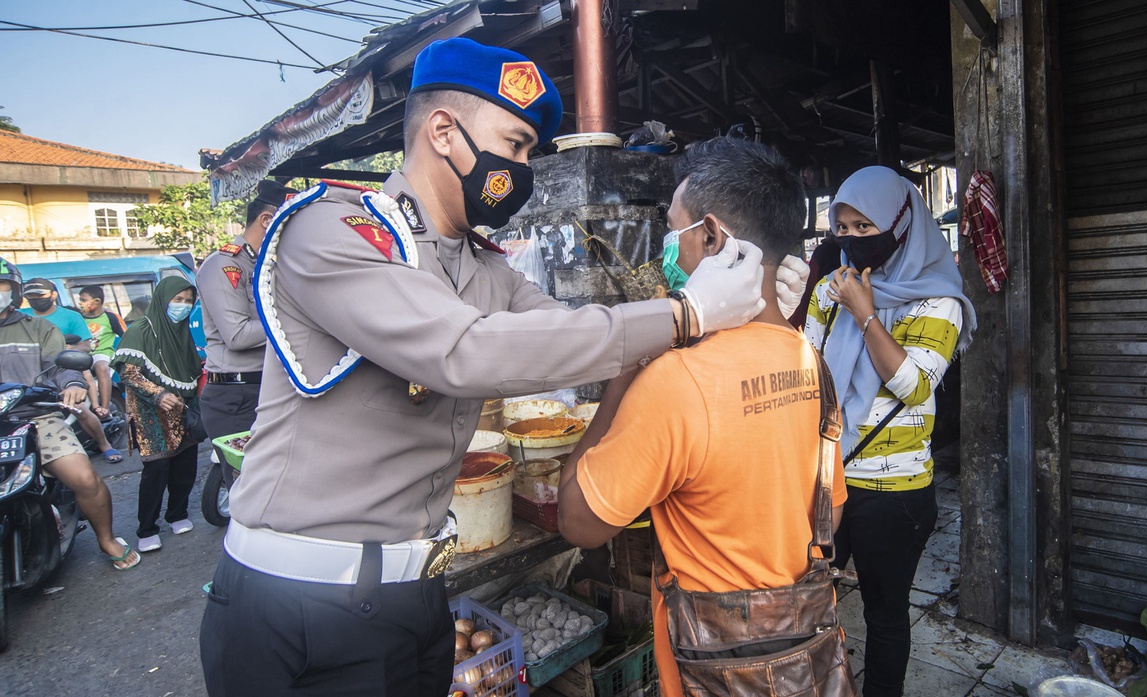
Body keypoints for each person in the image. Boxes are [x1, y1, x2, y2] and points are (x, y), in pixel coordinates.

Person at [198, 37, 778, 697]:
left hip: (414, 596)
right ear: (443, 131)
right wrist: (685, 313)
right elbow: (466, 351)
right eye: (516, 144)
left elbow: (567, 336)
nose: (522, 169)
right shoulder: (335, 232)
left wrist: (729, 314)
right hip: (299, 603)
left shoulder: (485, 268)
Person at [557, 137, 850, 697]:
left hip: (711, 668)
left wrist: (627, 368)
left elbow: (578, 522)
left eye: (673, 230)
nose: (667, 248)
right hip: (801, 657)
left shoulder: (675, 381)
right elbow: (829, 512)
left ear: (712, 237)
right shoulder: (810, 360)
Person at [803, 166, 976, 697]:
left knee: (885, 614)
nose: (853, 239)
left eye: (865, 226)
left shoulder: (939, 300)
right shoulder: (831, 290)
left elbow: (914, 386)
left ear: (901, 223)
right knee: (810, 604)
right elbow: (808, 369)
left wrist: (866, 316)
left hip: (894, 491)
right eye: (843, 228)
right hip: (827, 477)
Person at [0, 259, 140, 570]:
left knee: (85, 479)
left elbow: (60, 366)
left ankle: (106, 539)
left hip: (35, 418)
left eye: (1, 285)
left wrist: (74, 384)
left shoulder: (38, 328)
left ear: (14, 290)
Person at [196, 179, 296, 441]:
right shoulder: (224, 265)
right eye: (288, 225)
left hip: (266, 387)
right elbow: (237, 335)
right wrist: (294, 320)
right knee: (244, 469)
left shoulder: (263, 266)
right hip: (235, 396)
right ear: (266, 220)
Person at [111, 277, 204, 553]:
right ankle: (147, 529)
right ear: (163, 299)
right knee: (156, 471)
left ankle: (177, 514)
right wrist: (158, 394)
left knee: (185, 467)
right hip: (150, 414)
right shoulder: (140, 330)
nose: (183, 306)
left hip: (183, 410)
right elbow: (128, 373)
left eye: (188, 301)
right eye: (177, 300)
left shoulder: (181, 331)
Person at [22, 278, 124, 463]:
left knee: (78, 408)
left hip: (61, 372)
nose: (36, 299)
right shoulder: (21, 316)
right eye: (31, 296)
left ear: (53, 295)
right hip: (27, 375)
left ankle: (104, 445)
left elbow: (86, 345)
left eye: (40, 295)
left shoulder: (71, 316)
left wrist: (64, 353)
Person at [77, 284, 126, 423]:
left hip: (102, 353)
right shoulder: (78, 317)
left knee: (102, 368)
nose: (81, 303)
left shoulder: (110, 317)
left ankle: (104, 408)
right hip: (82, 354)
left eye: (84, 300)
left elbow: (126, 337)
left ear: (97, 301)